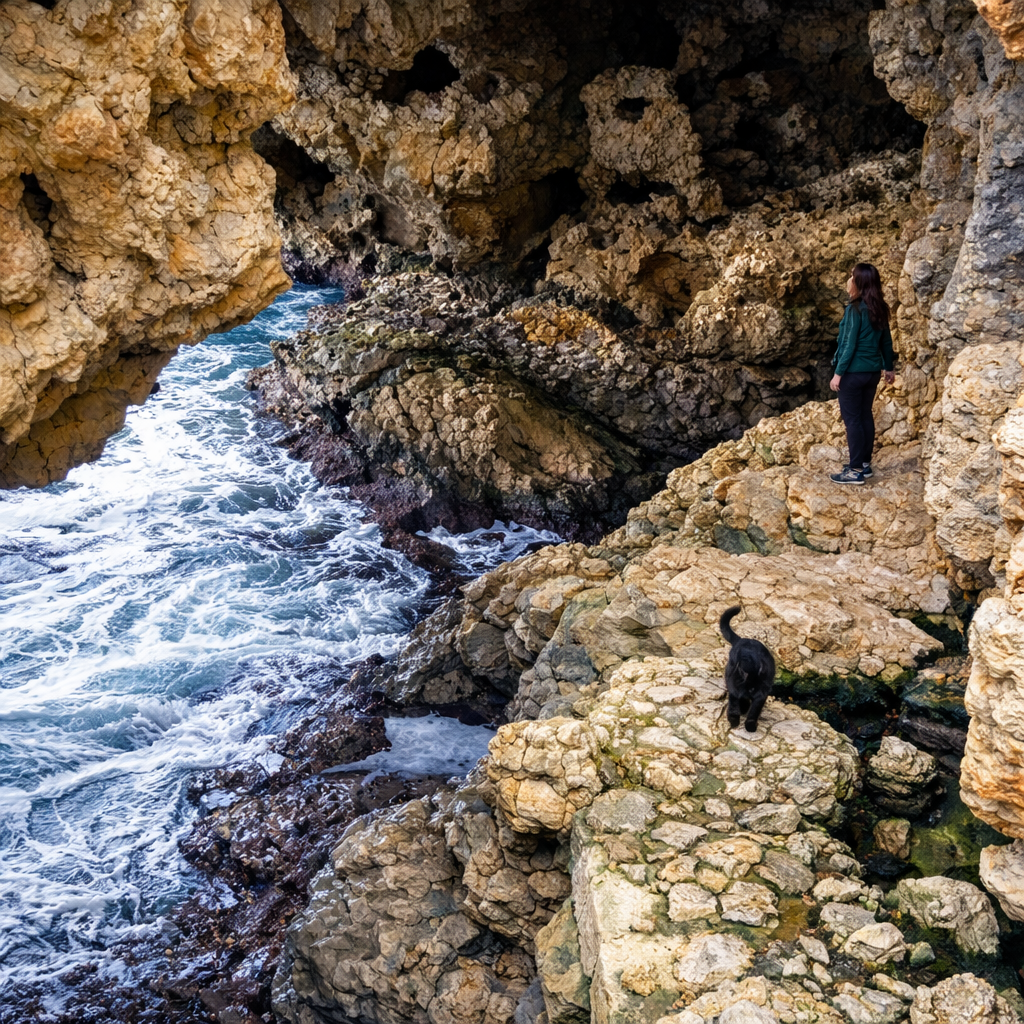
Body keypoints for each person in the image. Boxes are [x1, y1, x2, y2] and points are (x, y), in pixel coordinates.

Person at [829, 262, 896, 485]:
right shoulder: (879, 307)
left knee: (853, 421)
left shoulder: (854, 309)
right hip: (872, 373)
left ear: (859, 282)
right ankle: (864, 464)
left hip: (853, 373)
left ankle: (855, 470)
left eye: (851, 276)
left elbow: (849, 344)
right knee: (865, 415)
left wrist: (838, 373)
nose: (848, 280)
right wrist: (889, 367)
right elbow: (886, 342)